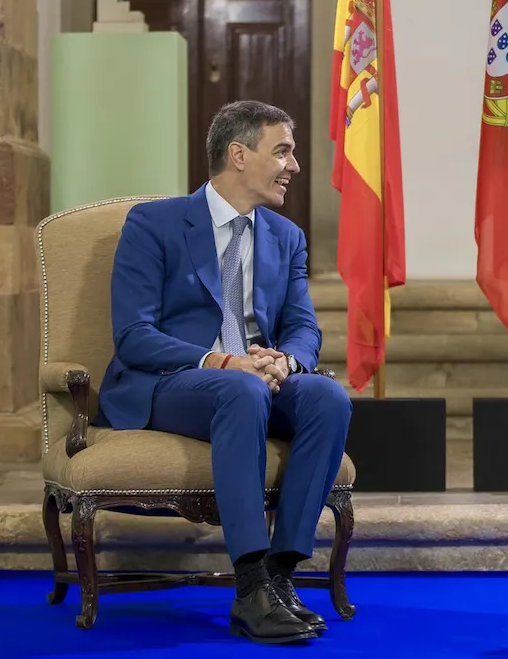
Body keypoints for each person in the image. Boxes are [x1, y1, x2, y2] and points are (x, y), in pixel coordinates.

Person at [96, 100, 351, 645]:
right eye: (282, 151)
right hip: (174, 381)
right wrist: (223, 360)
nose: (294, 165)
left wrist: (286, 359)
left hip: (256, 379)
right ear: (238, 154)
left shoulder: (286, 236)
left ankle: (280, 579)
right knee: (241, 390)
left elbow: (305, 328)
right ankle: (250, 581)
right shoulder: (154, 223)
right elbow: (134, 336)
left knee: (328, 398)